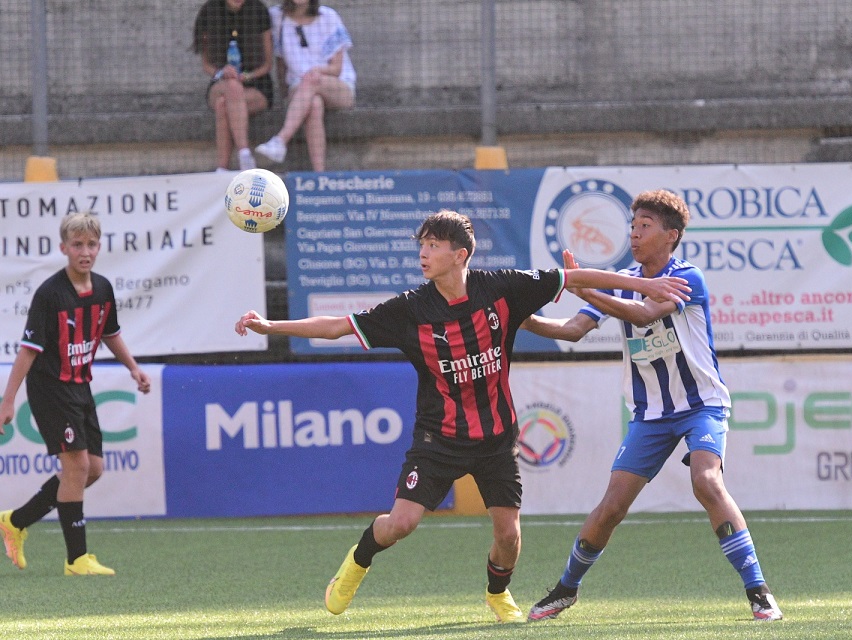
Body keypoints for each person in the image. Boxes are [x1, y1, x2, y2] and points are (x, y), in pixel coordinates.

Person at [234, 209, 690, 621]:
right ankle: (357, 562)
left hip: (496, 439)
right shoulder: (409, 309)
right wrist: (272, 326)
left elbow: (575, 277)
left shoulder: (502, 287)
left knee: (509, 536)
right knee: (401, 525)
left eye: (434, 245)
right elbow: (337, 326)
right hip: (439, 439)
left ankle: (497, 595)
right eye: (422, 245)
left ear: (461, 255)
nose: (424, 253)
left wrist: (646, 286)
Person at [521, 190, 784, 622]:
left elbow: (643, 315)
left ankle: (759, 593)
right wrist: (526, 319)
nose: (635, 232)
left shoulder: (687, 277)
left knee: (706, 481)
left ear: (671, 235)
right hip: (650, 415)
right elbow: (571, 330)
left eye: (645, 225)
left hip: (703, 405)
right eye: (633, 225)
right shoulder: (623, 278)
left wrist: (585, 283)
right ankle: (565, 590)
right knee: (611, 508)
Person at [0, 212, 151, 576]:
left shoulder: (101, 287)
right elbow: (28, 349)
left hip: (80, 386)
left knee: (92, 469)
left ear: (99, 248)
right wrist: (8, 400)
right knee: (77, 466)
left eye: (92, 244)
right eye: (78, 245)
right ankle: (76, 560)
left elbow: (110, 332)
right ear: (64, 248)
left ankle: (16, 521)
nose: (85, 251)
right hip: (50, 387)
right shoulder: (50, 293)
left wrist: (133, 367)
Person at [254, 0, 355, 171]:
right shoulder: (277, 17)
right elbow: (280, 63)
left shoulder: (328, 17)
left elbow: (336, 69)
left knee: (311, 81)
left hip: (335, 85)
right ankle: (319, 173)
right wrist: (285, 93)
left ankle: (280, 140)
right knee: (314, 104)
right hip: (299, 87)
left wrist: (316, 71)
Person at [192, 0, 274, 172]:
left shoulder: (259, 10)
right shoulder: (210, 11)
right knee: (231, 86)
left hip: (256, 84)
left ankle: (222, 168)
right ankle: (244, 153)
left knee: (224, 104)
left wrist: (246, 76)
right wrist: (223, 72)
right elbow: (207, 66)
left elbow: (267, 65)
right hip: (221, 81)